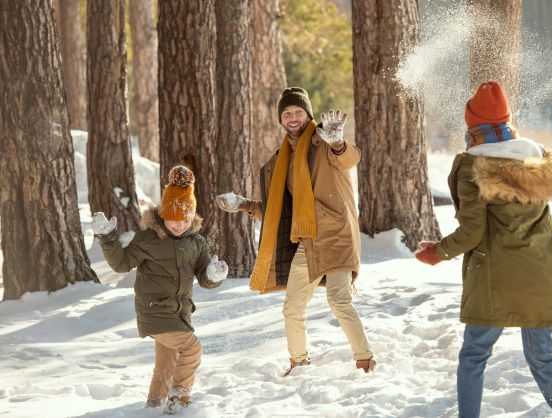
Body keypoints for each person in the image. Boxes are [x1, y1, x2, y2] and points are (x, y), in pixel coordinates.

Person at [415, 81, 552, 418]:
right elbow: (550, 233)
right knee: (543, 356)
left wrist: (436, 252)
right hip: (540, 275)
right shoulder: (535, 162)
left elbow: (471, 233)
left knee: (473, 356)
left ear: (473, 127)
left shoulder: (473, 167)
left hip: (495, 278)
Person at [216, 87, 375, 376]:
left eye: (298, 112)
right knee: (292, 307)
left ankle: (365, 360)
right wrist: (244, 205)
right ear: (280, 119)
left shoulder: (323, 140)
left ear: (308, 114)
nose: (292, 117)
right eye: (287, 113)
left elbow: (349, 159)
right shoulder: (282, 158)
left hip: (336, 234)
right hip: (307, 240)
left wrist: (338, 142)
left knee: (339, 301)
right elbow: (281, 211)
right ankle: (299, 362)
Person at [92, 166, 228, 414]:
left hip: (180, 314)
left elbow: (205, 276)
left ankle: (154, 404)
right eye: (173, 220)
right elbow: (121, 264)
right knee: (191, 348)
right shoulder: (148, 239)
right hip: (154, 311)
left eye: (184, 220)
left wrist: (214, 275)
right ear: (163, 215)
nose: (178, 226)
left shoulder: (196, 242)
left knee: (167, 360)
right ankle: (179, 402)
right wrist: (108, 239)